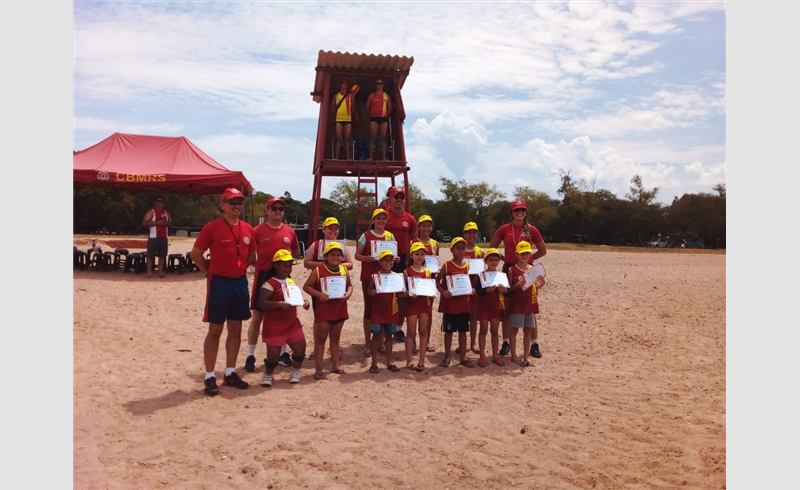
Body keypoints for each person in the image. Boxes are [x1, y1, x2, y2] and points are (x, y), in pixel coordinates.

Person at [190, 188, 256, 396]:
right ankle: (210, 375)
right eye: (232, 202)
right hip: (219, 283)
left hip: (239, 283)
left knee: (235, 329)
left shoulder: (247, 229)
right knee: (215, 330)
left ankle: (229, 372)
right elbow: (196, 254)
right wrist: (210, 271)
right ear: (223, 205)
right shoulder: (212, 228)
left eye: (239, 203)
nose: (236, 206)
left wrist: (240, 267)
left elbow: (252, 254)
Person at [244, 197, 301, 374]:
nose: (278, 211)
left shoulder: (290, 232)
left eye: (281, 208)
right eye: (274, 208)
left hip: (284, 278)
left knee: (284, 315)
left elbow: (296, 252)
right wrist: (259, 265)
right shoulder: (257, 231)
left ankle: (283, 353)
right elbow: (249, 254)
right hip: (263, 276)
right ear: (267, 210)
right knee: (258, 316)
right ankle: (250, 355)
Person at [488, 199, 547, 357]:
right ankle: (506, 341)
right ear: (512, 213)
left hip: (527, 270)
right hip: (509, 268)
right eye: (516, 210)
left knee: (530, 306)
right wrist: (503, 258)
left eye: (522, 210)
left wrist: (529, 260)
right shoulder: (504, 229)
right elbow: (491, 247)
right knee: (508, 308)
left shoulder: (532, 230)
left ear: (526, 212)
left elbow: (543, 250)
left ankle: (534, 344)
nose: (519, 212)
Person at [257, 250, 310, 386]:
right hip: (274, 325)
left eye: (290, 266)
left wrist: (304, 302)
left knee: (300, 349)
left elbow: (295, 297)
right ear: (276, 266)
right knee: (273, 357)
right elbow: (261, 303)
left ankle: (295, 371)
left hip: (291, 323)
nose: (288, 269)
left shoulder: (290, 281)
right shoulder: (270, 284)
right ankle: (268, 374)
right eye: (284, 266)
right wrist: (279, 304)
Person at [302, 241, 353, 380]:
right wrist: (319, 295)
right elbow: (307, 286)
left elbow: (349, 285)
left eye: (338, 255)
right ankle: (319, 369)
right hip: (324, 309)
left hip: (339, 308)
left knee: (335, 339)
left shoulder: (343, 270)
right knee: (320, 340)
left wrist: (349, 293)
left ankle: (335, 366)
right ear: (326, 256)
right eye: (332, 255)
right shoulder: (318, 270)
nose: (335, 257)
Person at [354, 208, 399, 357]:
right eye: (378, 218)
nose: (381, 221)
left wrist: (396, 259)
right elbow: (357, 255)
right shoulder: (366, 236)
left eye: (383, 218)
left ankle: (381, 343)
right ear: (373, 220)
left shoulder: (390, 236)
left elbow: (393, 255)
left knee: (384, 307)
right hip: (369, 275)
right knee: (369, 308)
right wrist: (366, 258)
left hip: (386, 277)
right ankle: (368, 341)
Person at [383, 186, 418, 344]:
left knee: (402, 295)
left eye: (401, 197)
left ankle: (398, 328)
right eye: (395, 197)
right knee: (385, 294)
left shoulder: (410, 219)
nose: (399, 200)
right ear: (390, 199)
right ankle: (384, 328)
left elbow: (414, 241)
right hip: (385, 259)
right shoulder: (384, 216)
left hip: (403, 259)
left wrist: (408, 260)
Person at [435, 237, 475, 368]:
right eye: (458, 248)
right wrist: (443, 291)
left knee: (463, 331)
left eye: (463, 248)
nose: (461, 251)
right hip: (451, 305)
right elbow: (437, 280)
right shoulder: (447, 265)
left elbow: (470, 282)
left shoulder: (467, 265)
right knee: (449, 331)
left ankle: (463, 356)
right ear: (452, 250)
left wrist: (472, 289)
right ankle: (447, 356)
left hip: (463, 304)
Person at [505, 241, 546, 366]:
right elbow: (508, 289)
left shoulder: (532, 269)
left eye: (527, 253)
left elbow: (533, 288)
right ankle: (513, 355)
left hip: (529, 303)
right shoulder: (512, 270)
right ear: (517, 254)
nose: (525, 256)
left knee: (528, 330)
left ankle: (526, 356)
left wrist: (541, 284)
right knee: (514, 330)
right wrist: (517, 285)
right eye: (522, 253)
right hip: (517, 304)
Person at [366, 249, 403, 373]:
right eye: (385, 260)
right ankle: (374, 362)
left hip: (391, 309)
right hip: (378, 309)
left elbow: (400, 293)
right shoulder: (375, 276)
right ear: (380, 262)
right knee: (376, 335)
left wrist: (407, 293)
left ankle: (389, 361)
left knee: (389, 336)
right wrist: (371, 292)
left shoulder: (396, 276)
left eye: (390, 260)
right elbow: (369, 289)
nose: (388, 262)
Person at [474, 248, 507, 367]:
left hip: (496, 306)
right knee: (483, 330)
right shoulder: (481, 276)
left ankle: (495, 355)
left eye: (496, 260)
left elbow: (506, 291)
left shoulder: (502, 276)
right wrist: (487, 290)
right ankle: (482, 355)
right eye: (491, 260)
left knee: (494, 330)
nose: (493, 262)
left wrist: (505, 290)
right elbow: (477, 291)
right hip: (484, 305)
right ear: (485, 261)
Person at [411, 214, 439, 354]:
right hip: (416, 280)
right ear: (419, 227)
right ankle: (414, 342)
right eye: (424, 225)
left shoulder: (435, 244)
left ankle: (426, 340)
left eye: (429, 225)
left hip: (429, 282)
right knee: (414, 312)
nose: (426, 228)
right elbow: (408, 263)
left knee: (427, 313)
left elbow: (436, 261)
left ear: (432, 227)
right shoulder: (413, 242)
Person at [404, 242, 433, 371]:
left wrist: (433, 294)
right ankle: (409, 360)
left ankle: (421, 361)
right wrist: (409, 294)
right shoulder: (407, 271)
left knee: (423, 332)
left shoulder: (428, 272)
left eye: (422, 254)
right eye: (417, 254)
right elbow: (402, 292)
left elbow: (431, 290)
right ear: (411, 255)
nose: (420, 257)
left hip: (424, 305)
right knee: (410, 332)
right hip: (412, 304)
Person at [463, 221, 484, 355]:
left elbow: (483, 271)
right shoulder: (461, 249)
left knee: (473, 315)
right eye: (469, 232)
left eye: (474, 233)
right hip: (462, 286)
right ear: (464, 234)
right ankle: (463, 344)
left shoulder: (480, 252)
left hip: (474, 286)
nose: (472, 235)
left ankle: (473, 343)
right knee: (463, 315)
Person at [142, 196, 172, 278]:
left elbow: (170, 223)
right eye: (159, 201)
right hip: (153, 237)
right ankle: (149, 272)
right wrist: (157, 223)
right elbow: (145, 223)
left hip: (163, 237)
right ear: (155, 202)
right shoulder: (151, 212)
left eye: (162, 201)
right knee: (150, 256)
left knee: (162, 255)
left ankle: (161, 272)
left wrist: (166, 223)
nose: (160, 203)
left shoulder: (166, 213)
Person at [366, 78, 392, 160]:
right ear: (375, 85)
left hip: (383, 118)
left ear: (383, 85)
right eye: (378, 83)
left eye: (381, 83)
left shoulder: (386, 96)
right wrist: (371, 114)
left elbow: (390, 108)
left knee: (383, 137)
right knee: (373, 136)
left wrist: (386, 115)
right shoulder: (372, 95)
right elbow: (367, 107)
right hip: (374, 118)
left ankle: (384, 157)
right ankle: (371, 157)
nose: (379, 85)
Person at [332, 77, 358, 160]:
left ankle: (348, 157)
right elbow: (333, 107)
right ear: (340, 84)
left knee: (347, 138)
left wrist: (350, 114)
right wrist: (337, 114)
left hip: (348, 119)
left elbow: (353, 107)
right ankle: (336, 157)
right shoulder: (336, 95)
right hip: (339, 119)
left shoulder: (351, 96)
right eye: (343, 82)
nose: (344, 83)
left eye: (346, 82)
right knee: (338, 138)